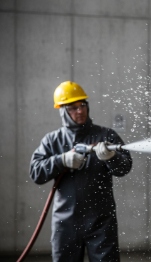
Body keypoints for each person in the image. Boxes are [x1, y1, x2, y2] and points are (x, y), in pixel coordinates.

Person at [30, 81, 132, 261]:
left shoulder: (105, 136)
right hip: (65, 222)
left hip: (101, 221)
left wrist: (111, 158)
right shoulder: (53, 141)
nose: (80, 111)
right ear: (62, 111)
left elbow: (125, 167)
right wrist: (61, 160)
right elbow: (36, 173)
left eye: (82, 105)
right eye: (73, 107)